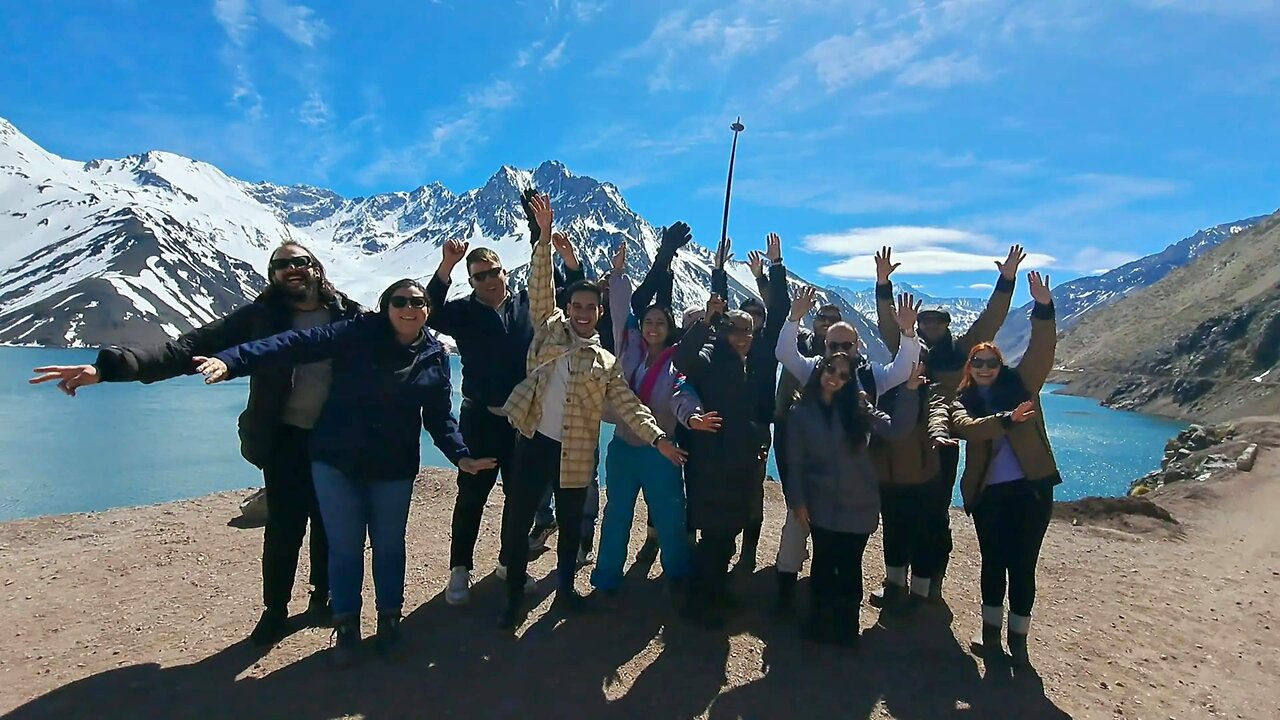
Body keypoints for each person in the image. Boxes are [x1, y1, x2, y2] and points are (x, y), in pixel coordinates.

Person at [28, 241, 361, 646]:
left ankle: (321, 596)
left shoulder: (348, 314)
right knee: (285, 527)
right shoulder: (261, 316)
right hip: (285, 436)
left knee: (329, 521)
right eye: (281, 264)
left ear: (316, 268)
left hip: (336, 437)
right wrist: (107, 369)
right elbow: (185, 349)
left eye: (299, 262)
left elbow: (392, 348)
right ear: (273, 274)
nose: (291, 269)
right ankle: (274, 611)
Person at [195, 279, 495, 666]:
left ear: (427, 310)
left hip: (393, 466)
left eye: (418, 302)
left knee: (389, 546)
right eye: (400, 301)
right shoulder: (357, 332)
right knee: (344, 546)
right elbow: (293, 344)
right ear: (386, 306)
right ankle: (347, 626)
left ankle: (389, 620)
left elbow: (439, 416)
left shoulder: (434, 355)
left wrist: (461, 456)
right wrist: (233, 359)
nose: (410, 308)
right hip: (336, 460)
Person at [497, 194, 686, 630]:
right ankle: (512, 596)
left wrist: (657, 438)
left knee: (569, 524)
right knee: (519, 516)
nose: (583, 314)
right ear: (568, 309)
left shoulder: (605, 361)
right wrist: (543, 237)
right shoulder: (548, 330)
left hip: (576, 450)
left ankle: (564, 590)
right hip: (533, 443)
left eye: (590, 309)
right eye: (576, 307)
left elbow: (627, 404)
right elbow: (539, 287)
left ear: (599, 314)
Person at [426, 203, 585, 606]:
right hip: (480, 417)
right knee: (472, 494)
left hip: (523, 419)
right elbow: (430, 312)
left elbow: (568, 296)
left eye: (493, 272)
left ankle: (509, 562)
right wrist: (446, 266)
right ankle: (459, 569)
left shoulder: (528, 306)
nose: (488, 280)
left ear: (504, 272)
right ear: (472, 281)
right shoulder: (462, 313)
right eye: (478, 276)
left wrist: (554, 247)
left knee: (521, 497)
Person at [874, 244, 1024, 600]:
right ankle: (896, 581)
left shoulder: (962, 351)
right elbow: (886, 324)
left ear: (947, 325)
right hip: (903, 438)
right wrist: (883, 284)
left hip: (944, 443)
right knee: (894, 509)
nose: (930, 327)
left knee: (934, 513)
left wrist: (1006, 280)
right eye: (925, 322)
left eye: (936, 322)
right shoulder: (907, 347)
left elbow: (992, 319)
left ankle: (929, 580)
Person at [929, 270, 1057, 670]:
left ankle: (1018, 643)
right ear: (970, 366)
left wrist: (1044, 307)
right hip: (990, 495)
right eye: (978, 362)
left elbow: (1042, 348)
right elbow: (967, 429)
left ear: (1000, 364)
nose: (984, 367)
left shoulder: (1024, 385)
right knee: (993, 564)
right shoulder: (962, 400)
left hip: (1032, 491)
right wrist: (1006, 420)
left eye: (991, 361)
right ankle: (990, 639)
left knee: (1023, 566)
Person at [771, 286, 921, 614]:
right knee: (798, 534)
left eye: (846, 345)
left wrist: (908, 333)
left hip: (853, 483)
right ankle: (786, 593)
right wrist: (794, 317)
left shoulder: (871, 376)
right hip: (813, 480)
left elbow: (903, 369)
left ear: (858, 346)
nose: (839, 352)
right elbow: (784, 353)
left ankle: (841, 623)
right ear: (824, 346)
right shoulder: (814, 369)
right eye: (833, 345)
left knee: (845, 556)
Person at [590, 240, 721, 597]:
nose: (652, 327)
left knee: (669, 517)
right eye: (648, 321)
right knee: (616, 515)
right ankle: (606, 579)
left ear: (669, 327)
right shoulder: (627, 346)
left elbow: (682, 397)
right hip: (622, 448)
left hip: (661, 453)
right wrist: (617, 275)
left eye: (659, 322)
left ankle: (677, 575)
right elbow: (619, 310)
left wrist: (693, 420)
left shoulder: (676, 362)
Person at [674, 250, 785, 630]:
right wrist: (706, 321)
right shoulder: (707, 356)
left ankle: (715, 591)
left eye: (748, 332)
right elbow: (680, 362)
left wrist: (756, 435)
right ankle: (700, 601)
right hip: (712, 463)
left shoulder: (751, 364)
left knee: (727, 534)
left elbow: (780, 315)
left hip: (739, 462)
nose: (744, 337)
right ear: (723, 331)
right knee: (714, 535)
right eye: (737, 330)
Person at [785, 353, 924, 646]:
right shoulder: (801, 412)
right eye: (830, 369)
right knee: (823, 565)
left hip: (859, 504)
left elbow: (897, 430)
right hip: (821, 503)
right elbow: (794, 461)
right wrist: (797, 501)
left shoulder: (861, 409)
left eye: (844, 374)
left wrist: (910, 392)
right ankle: (818, 625)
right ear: (820, 370)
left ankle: (847, 629)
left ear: (850, 381)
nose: (835, 376)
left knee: (849, 567)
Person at [709, 233, 790, 576]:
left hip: (757, 428)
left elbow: (781, 308)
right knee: (722, 488)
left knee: (753, 493)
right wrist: (718, 271)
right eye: (747, 317)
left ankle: (748, 554)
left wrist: (775, 266)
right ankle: (720, 547)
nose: (752, 322)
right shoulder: (726, 346)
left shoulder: (767, 348)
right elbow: (719, 309)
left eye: (758, 317)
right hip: (724, 427)